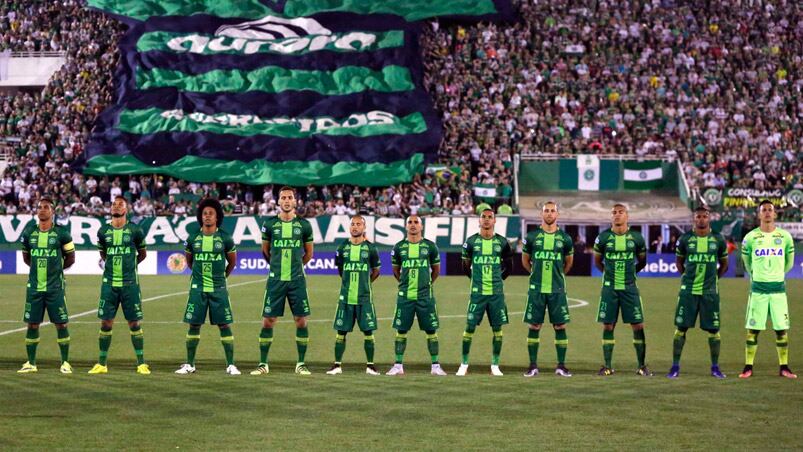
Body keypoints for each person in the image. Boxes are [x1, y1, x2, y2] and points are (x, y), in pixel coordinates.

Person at [252, 186, 314, 375]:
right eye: (283, 198)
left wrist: (295, 268)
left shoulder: (304, 225)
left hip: (296, 280)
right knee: (268, 320)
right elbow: (265, 251)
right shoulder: (269, 225)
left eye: (290, 197)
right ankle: (263, 364)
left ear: (295, 201)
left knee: (301, 321)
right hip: (276, 280)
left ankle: (301, 364)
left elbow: (309, 254)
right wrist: (277, 268)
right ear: (278, 202)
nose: (286, 201)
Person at [175, 198, 239, 375]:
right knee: (193, 325)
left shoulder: (225, 238)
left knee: (224, 325)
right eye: (205, 213)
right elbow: (190, 262)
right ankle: (190, 364)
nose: (208, 216)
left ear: (217, 217)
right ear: (200, 217)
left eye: (211, 213)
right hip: (198, 289)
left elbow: (232, 263)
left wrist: (221, 278)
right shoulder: (193, 238)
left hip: (218, 289)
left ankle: (231, 365)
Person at [87, 196, 148, 375]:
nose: (116, 206)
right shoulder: (103, 231)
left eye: (120, 204)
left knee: (134, 323)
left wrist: (130, 266)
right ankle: (102, 364)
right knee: (106, 323)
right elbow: (103, 254)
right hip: (109, 284)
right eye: (113, 203)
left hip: (130, 284)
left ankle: (141, 363)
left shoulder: (135, 230)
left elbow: (142, 254)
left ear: (126, 209)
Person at [667, 206, 728, 379]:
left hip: (710, 292)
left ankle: (715, 367)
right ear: (694, 219)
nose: (701, 219)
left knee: (714, 330)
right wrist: (687, 278)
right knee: (681, 329)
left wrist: (714, 280)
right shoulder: (685, 239)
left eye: (704, 216)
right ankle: (675, 366)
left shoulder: (718, 239)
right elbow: (679, 263)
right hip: (689, 292)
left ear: (709, 219)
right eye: (698, 216)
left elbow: (724, 264)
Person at [739, 201, 797, 379]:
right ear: (759, 215)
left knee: (781, 330)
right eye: (763, 210)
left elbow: (790, 262)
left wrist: (778, 274)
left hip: (778, 290)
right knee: (753, 330)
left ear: (775, 214)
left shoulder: (785, 236)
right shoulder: (750, 237)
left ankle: (784, 367)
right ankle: (748, 367)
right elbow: (746, 263)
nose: (767, 213)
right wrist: (756, 275)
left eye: (770, 210)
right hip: (758, 290)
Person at [17, 198, 75, 374]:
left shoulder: (62, 234)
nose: (42, 210)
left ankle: (65, 362)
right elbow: (27, 258)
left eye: (46, 207)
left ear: (53, 212)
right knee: (32, 325)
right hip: (34, 288)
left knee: (61, 324)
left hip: (55, 288)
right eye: (40, 207)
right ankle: (31, 363)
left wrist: (56, 270)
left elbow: (71, 258)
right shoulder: (28, 234)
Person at [593, 203, 652, 376]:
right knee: (608, 325)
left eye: (621, 212)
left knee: (638, 325)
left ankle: (642, 366)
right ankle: (607, 366)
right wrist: (608, 275)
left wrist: (630, 274)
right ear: (610, 217)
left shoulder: (636, 237)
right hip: (610, 289)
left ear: (627, 216)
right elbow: (598, 261)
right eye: (614, 213)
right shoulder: (603, 238)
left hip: (629, 288)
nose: (617, 215)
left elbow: (642, 261)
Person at [456, 208, 513, 376]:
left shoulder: (502, 242)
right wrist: (476, 281)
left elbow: (509, 268)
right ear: (479, 221)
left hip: (496, 294)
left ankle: (495, 365)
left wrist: (497, 282)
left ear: (495, 221)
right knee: (469, 327)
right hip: (478, 294)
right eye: (483, 217)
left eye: (490, 217)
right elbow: (465, 266)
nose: (487, 220)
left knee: (497, 329)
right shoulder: (471, 242)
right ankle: (464, 364)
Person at [521, 202, 574, 377]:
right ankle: (532, 366)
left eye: (552, 211)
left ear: (557, 214)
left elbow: (569, 262)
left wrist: (557, 276)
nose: (549, 214)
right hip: (537, 289)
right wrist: (535, 274)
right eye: (546, 211)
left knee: (560, 326)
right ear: (541, 214)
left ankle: (561, 366)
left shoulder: (565, 238)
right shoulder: (532, 236)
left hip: (557, 289)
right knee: (534, 326)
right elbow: (525, 260)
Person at [387, 215, 445, 376]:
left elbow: (436, 271)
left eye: (416, 222)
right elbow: (396, 271)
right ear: (406, 227)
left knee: (431, 330)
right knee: (401, 330)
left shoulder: (430, 246)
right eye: (410, 222)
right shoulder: (399, 247)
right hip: (405, 296)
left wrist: (426, 285)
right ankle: (398, 365)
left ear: (421, 226)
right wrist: (405, 284)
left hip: (425, 297)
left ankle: (435, 366)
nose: (413, 225)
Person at [326, 215, 381, 375]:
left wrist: (365, 283)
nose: (355, 227)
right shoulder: (342, 247)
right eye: (353, 224)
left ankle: (370, 366)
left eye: (359, 224)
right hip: (346, 298)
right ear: (349, 228)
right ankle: (337, 365)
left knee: (368, 332)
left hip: (364, 298)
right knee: (341, 331)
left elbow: (376, 271)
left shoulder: (371, 248)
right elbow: (341, 270)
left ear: (364, 228)